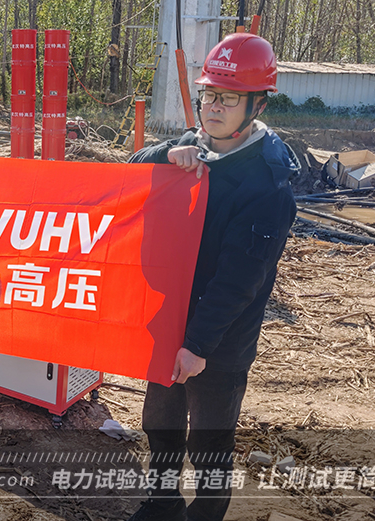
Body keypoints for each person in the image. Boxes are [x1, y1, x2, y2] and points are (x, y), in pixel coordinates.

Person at [127, 33, 298, 520]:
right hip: (169, 321)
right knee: (160, 424)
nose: (214, 107)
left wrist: (198, 346)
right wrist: (167, 154)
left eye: (228, 98)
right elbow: (127, 175)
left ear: (257, 104)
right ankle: (163, 504)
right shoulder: (193, 144)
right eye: (209, 95)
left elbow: (238, 281)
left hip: (219, 341)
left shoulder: (266, 183)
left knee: (209, 443)